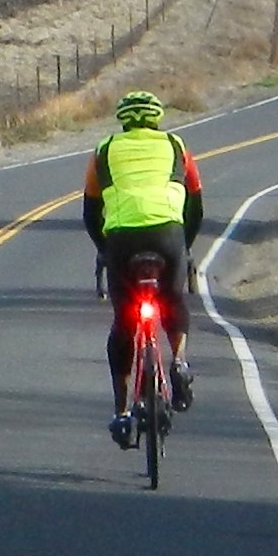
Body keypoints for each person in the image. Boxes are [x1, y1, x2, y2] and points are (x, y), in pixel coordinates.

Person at [81, 88, 203, 439]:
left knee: (124, 322)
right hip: (168, 235)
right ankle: (178, 362)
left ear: (123, 121)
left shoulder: (104, 149)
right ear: (157, 118)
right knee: (173, 301)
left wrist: (104, 249)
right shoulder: (176, 146)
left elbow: (91, 211)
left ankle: (121, 411)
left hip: (122, 239)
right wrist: (184, 247)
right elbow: (195, 204)